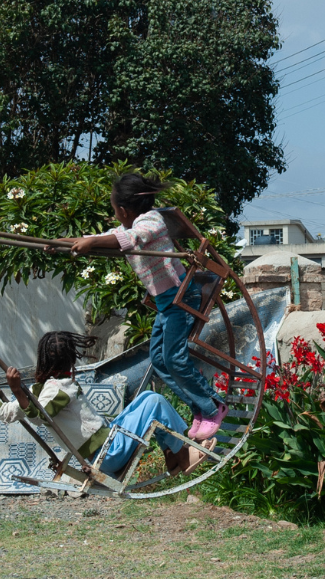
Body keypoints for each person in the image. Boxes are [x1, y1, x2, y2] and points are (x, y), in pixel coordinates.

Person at [58, 172, 227, 441]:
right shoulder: (128, 227)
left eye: (115, 211)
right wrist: (58, 245)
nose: (115, 217)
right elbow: (104, 236)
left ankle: (211, 406)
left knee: (174, 359)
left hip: (181, 299)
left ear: (124, 210)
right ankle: (200, 408)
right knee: (160, 361)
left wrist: (92, 242)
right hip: (167, 303)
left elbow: (131, 239)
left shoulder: (151, 223)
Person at [0, 330, 205, 482]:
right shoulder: (60, 388)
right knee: (155, 401)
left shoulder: (37, 391)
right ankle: (182, 454)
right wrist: (15, 390)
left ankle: (172, 456)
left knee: (145, 399)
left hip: (106, 447)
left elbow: (5, 412)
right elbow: (41, 416)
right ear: (71, 359)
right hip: (108, 453)